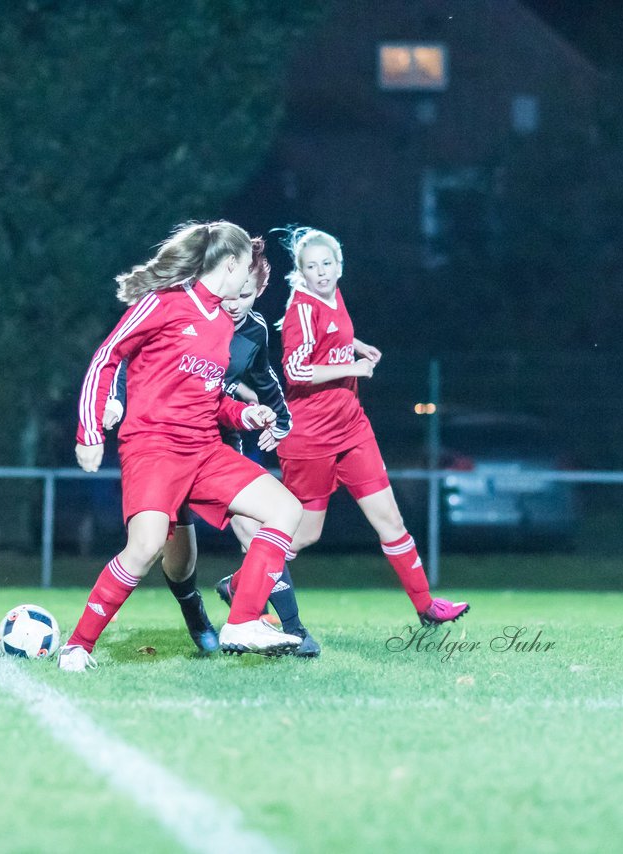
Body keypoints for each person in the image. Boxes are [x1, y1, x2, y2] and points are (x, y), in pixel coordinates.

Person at [59, 221, 307, 672]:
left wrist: (243, 414)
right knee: (147, 547)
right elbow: (106, 356)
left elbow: (209, 400)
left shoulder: (219, 323)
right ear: (231, 265)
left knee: (286, 509)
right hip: (153, 448)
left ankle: (243, 621)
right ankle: (78, 646)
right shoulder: (164, 303)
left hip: (206, 450)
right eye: (244, 270)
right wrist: (90, 431)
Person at [269, 226, 469, 627]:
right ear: (302, 272)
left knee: (391, 520)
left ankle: (426, 605)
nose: (322, 272)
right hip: (311, 438)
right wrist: (353, 366)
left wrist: (355, 344)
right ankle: (243, 584)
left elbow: (331, 335)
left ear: (339, 266)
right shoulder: (302, 310)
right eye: (312, 267)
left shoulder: (334, 295)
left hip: (352, 429)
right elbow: (294, 369)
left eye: (327, 264)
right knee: (306, 535)